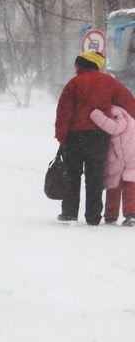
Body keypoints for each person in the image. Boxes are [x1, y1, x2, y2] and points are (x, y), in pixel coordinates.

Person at [54, 50, 135, 225]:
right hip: (99, 137)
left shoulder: (73, 83)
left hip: (74, 137)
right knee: (95, 176)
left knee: (72, 176)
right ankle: (93, 216)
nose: (75, 69)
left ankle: (69, 213)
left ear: (83, 65)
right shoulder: (109, 83)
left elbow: (64, 112)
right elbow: (128, 101)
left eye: (77, 65)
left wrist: (61, 135)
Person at [89, 104, 135, 225]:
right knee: (127, 187)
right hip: (128, 158)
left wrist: (94, 114)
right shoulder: (128, 113)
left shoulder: (115, 110)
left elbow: (115, 128)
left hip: (123, 159)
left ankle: (112, 215)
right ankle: (129, 214)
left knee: (115, 186)